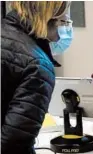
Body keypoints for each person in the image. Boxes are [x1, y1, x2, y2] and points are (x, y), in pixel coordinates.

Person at [1, 1, 73, 154]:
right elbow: (14, 145)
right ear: (48, 17)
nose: (64, 31)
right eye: (64, 21)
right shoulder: (38, 65)